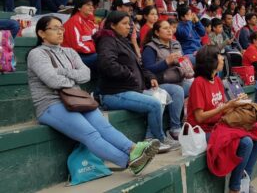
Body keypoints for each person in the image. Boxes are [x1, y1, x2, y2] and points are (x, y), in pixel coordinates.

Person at [27, 15, 159, 175]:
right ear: (41, 33)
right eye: (55, 28)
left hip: (76, 99)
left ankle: (133, 148)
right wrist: (73, 76)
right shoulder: (36, 54)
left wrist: (63, 72)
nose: (60, 32)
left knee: (104, 126)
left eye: (61, 28)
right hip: (50, 105)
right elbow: (52, 81)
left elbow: (86, 75)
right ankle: (129, 161)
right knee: (91, 133)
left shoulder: (70, 52)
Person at [94, 11, 178, 153]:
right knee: (154, 104)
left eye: (130, 24)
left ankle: (150, 138)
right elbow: (107, 64)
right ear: (113, 25)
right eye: (125, 24)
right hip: (114, 93)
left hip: (130, 89)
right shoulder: (107, 40)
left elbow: (139, 66)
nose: (129, 27)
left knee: (161, 95)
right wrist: (129, 74)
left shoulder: (122, 40)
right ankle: (158, 139)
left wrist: (150, 77)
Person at [187, 45, 257, 193]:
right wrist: (225, 106)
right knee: (246, 142)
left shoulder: (217, 80)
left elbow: (223, 110)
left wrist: (236, 103)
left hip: (219, 125)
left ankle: (244, 180)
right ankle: (234, 188)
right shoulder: (198, 83)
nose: (223, 58)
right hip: (202, 131)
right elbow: (199, 117)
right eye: (219, 56)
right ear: (211, 61)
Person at [142, 20, 192, 140]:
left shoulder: (176, 44)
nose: (169, 30)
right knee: (177, 90)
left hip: (178, 79)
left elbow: (182, 62)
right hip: (159, 83)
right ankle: (175, 128)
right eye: (165, 28)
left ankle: (190, 121)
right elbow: (148, 69)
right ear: (157, 33)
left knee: (194, 85)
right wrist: (166, 62)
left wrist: (187, 69)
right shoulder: (150, 48)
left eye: (170, 27)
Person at [62, 0, 98, 70]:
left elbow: (96, 38)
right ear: (79, 7)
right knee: (103, 57)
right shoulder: (74, 21)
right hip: (73, 57)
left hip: (86, 53)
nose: (92, 7)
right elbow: (77, 46)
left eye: (92, 5)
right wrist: (97, 48)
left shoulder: (90, 21)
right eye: (88, 5)